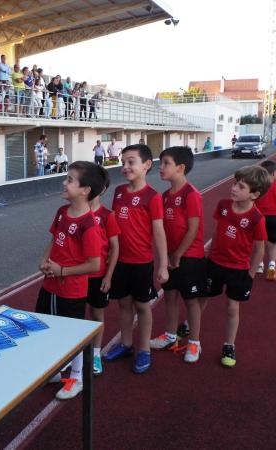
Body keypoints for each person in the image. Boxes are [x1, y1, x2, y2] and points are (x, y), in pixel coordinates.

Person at [38, 161, 102, 399]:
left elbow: (95, 265)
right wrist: (44, 260)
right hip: (51, 284)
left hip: (71, 290)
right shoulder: (62, 212)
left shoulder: (89, 225)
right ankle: (56, 369)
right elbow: (54, 239)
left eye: (70, 180)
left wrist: (62, 271)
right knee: (47, 326)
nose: (64, 183)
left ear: (84, 190)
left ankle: (77, 376)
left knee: (73, 334)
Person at [105, 144, 169, 374]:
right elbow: (113, 227)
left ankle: (144, 350)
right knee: (123, 303)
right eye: (123, 162)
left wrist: (163, 264)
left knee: (142, 306)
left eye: (131, 162)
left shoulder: (152, 196)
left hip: (141, 261)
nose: (125, 167)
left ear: (146, 165)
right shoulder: (119, 191)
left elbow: (159, 231)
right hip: (120, 261)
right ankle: (126, 345)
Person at [204, 165, 270, 367]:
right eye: (234, 184)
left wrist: (250, 273)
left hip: (238, 269)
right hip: (215, 263)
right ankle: (190, 325)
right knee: (202, 297)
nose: (233, 188)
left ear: (254, 194)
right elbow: (218, 231)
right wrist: (209, 252)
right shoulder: (223, 205)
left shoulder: (256, 218)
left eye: (240, 186)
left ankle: (229, 345)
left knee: (233, 308)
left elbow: (259, 249)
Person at [149, 146, 206, 363]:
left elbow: (193, 229)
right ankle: (170, 336)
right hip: (170, 256)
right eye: (160, 163)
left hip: (189, 256)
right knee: (170, 296)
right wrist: (168, 256)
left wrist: (178, 254)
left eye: (166, 164)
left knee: (191, 300)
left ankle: (194, 343)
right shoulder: (164, 196)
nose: (160, 168)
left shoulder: (191, 194)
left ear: (180, 168)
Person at [86, 165, 120, 375]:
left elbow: (115, 248)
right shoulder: (73, 214)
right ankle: (76, 355)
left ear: (102, 189)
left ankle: (96, 354)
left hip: (99, 276)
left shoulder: (107, 216)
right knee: (76, 317)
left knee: (97, 315)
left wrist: (109, 275)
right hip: (76, 276)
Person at [255, 160, 276, 281]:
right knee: (272, 245)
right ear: (274, 173)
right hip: (274, 218)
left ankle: (259, 265)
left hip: (259, 219)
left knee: (260, 243)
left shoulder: (258, 187)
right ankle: (272, 265)